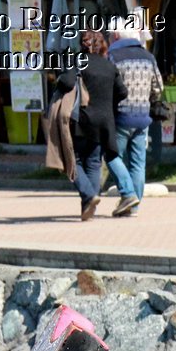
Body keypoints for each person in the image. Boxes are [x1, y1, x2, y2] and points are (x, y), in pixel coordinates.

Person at [53, 30, 137, 220]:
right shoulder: (109, 66)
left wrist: (58, 81)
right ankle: (88, 206)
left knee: (71, 161)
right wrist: (107, 102)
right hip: (105, 122)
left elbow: (66, 82)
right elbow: (122, 93)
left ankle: (89, 195)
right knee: (92, 163)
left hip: (82, 119)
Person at [108, 17, 163, 218]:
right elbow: (159, 87)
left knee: (112, 155)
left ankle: (128, 194)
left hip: (120, 116)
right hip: (142, 117)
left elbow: (108, 85)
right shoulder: (148, 57)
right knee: (138, 162)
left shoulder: (112, 56)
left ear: (115, 35)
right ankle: (134, 207)